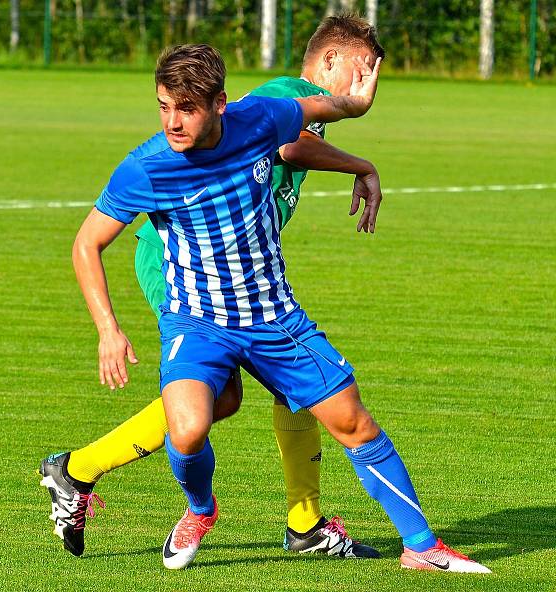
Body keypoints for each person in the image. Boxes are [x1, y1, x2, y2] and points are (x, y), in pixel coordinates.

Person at [73, 43, 489, 574]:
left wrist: (356, 108)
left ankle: (422, 548)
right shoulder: (146, 168)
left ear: (220, 104)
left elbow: (322, 111)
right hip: (197, 321)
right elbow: (87, 244)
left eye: (187, 108)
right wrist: (108, 329)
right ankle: (201, 510)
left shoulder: (262, 117)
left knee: (354, 422)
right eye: (163, 106)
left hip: (273, 317)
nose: (173, 122)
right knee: (189, 427)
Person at [40, 15, 387, 562]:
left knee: (262, 393)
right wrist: (359, 166)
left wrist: (355, 162)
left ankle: (304, 522)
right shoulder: (287, 95)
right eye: (363, 68)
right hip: (179, 267)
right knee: (221, 396)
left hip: (240, 280)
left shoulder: (288, 107)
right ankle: (80, 470)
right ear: (329, 62)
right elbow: (292, 148)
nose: (367, 82)